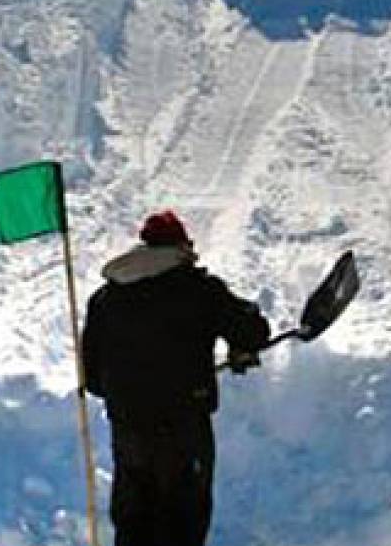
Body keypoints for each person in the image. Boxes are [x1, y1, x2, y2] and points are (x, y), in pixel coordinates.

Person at [81, 210, 271, 546]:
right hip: (183, 429)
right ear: (181, 247)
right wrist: (238, 349)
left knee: (135, 522)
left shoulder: (104, 300)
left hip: (128, 432)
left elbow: (93, 380)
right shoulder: (198, 290)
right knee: (181, 521)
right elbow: (253, 331)